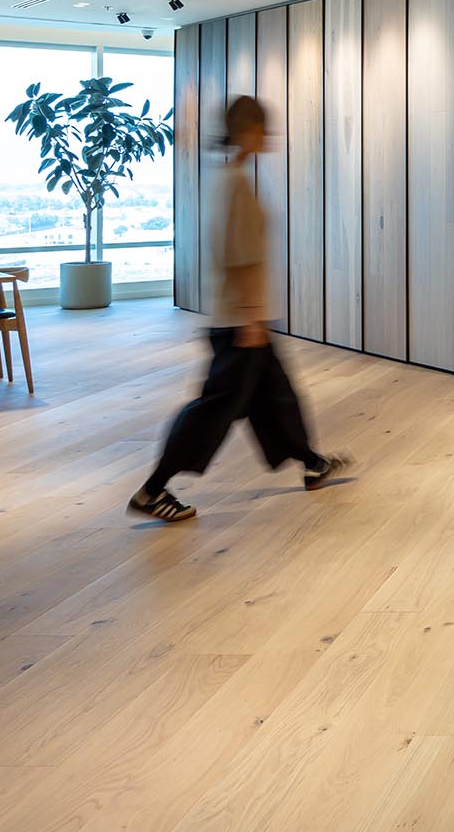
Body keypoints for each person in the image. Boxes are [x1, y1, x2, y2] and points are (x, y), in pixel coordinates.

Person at [129, 94, 349, 522]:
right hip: (239, 320)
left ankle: (313, 463)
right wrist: (251, 318)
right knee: (214, 409)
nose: (270, 136)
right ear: (250, 131)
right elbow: (238, 256)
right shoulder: (234, 182)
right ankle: (152, 490)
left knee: (277, 398)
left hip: (244, 317)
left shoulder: (227, 176)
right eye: (266, 128)